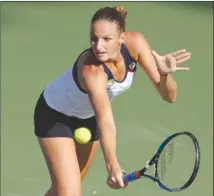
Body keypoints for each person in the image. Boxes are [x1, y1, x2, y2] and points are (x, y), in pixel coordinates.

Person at [34, 5, 191, 196]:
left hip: (87, 117)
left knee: (63, 191)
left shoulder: (136, 44)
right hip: (54, 115)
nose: (98, 46)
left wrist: (164, 75)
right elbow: (105, 118)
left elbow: (170, 97)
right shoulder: (92, 71)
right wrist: (112, 165)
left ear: (122, 38)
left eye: (106, 39)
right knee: (69, 193)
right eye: (94, 38)